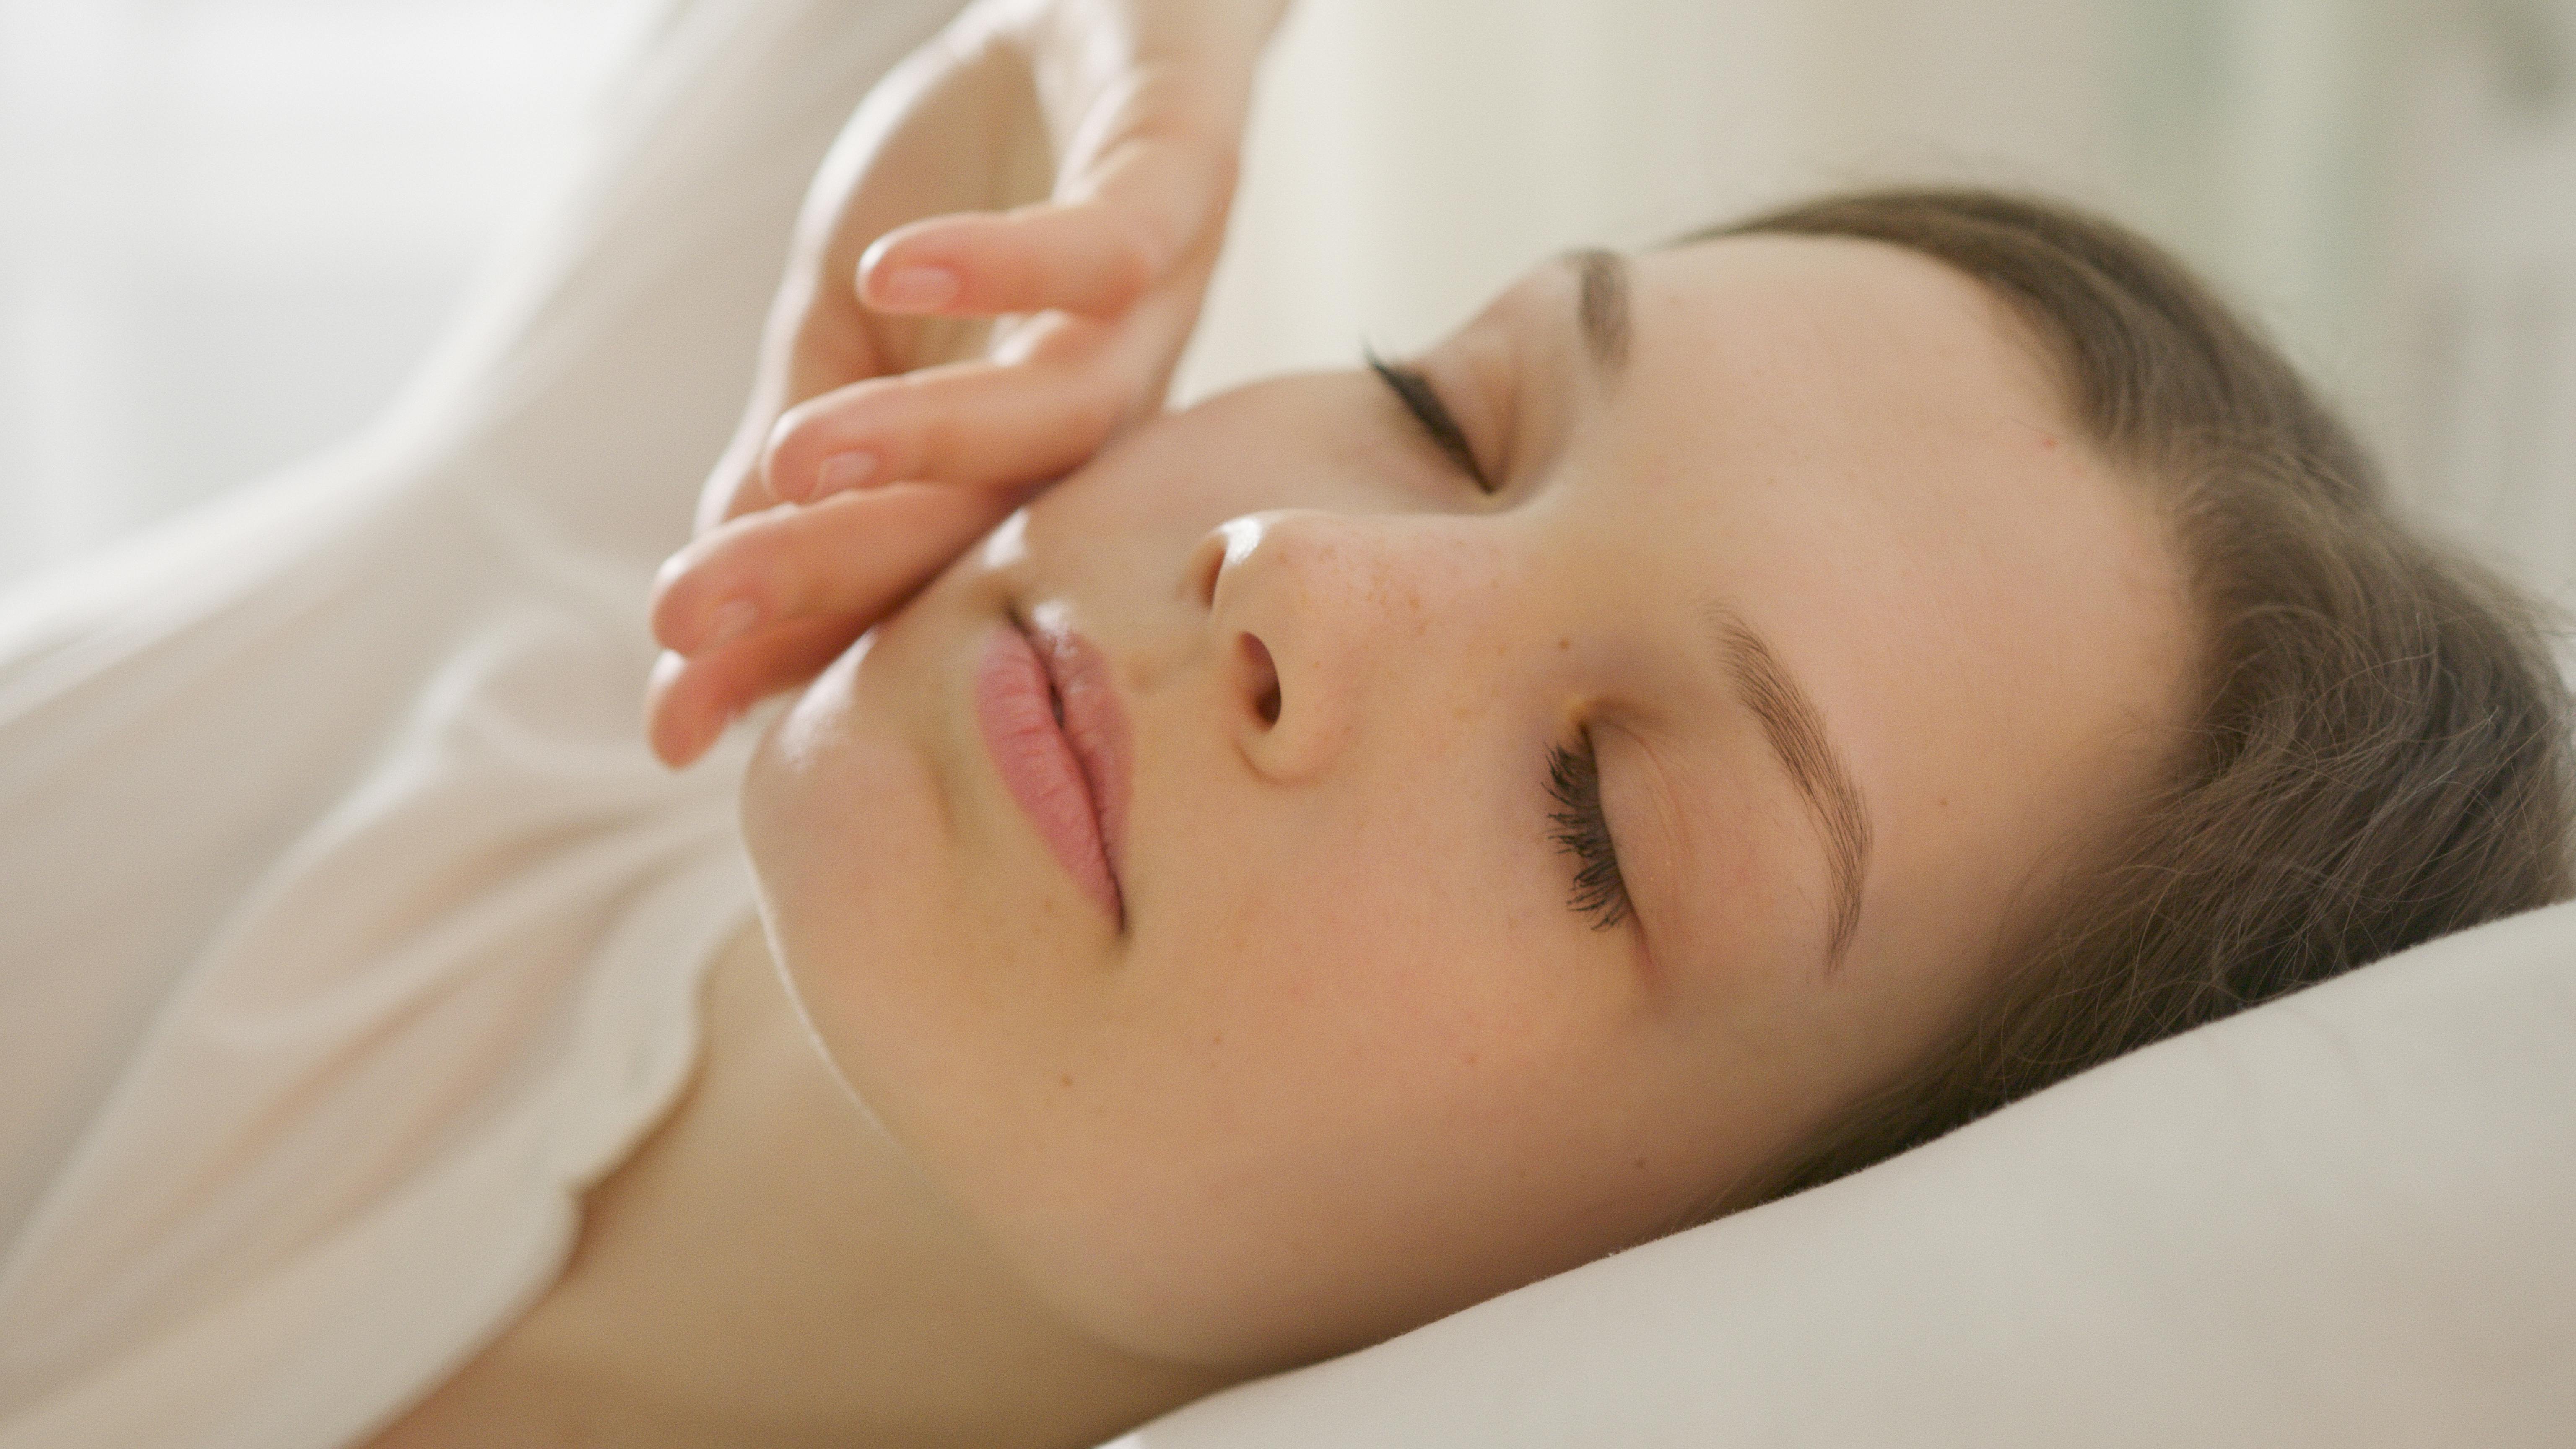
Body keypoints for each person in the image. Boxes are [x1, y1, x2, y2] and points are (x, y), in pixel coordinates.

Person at [0, 3, 2565, 1449]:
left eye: (1599, 816)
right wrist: (1133, 51)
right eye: (1443, 409)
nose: (1295, 569)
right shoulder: (663, 514)